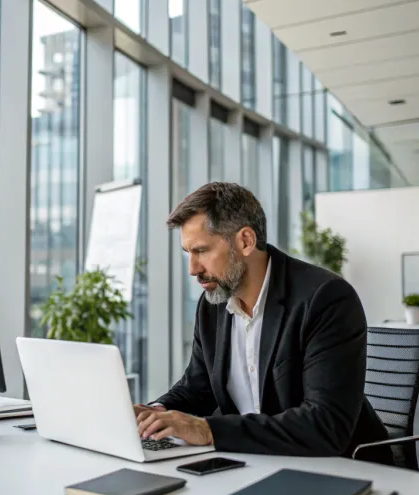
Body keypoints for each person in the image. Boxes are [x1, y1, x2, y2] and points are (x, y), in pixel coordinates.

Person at [135, 182, 394, 465]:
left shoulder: (325, 299)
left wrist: (208, 430)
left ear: (245, 241)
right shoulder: (214, 304)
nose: (193, 269)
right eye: (188, 253)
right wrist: (154, 413)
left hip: (340, 467)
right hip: (255, 461)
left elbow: (325, 423)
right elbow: (198, 387)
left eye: (202, 251)